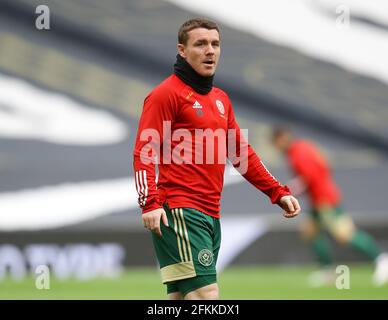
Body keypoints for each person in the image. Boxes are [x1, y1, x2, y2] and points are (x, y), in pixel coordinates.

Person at [133, 18, 300, 300]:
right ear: (182, 50)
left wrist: (277, 191)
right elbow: (144, 151)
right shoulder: (165, 95)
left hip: (209, 213)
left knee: (181, 297)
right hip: (180, 211)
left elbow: (241, 153)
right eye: (200, 44)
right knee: (206, 296)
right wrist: (149, 202)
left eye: (215, 44)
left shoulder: (221, 99)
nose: (210, 50)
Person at [271, 126, 388, 287]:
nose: (276, 147)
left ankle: (381, 259)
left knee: (344, 234)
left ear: (281, 139)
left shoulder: (297, 153)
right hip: (319, 198)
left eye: (275, 143)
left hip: (324, 199)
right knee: (310, 231)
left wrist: (289, 189)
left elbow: (308, 177)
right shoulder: (305, 146)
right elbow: (325, 166)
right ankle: (327, 271)